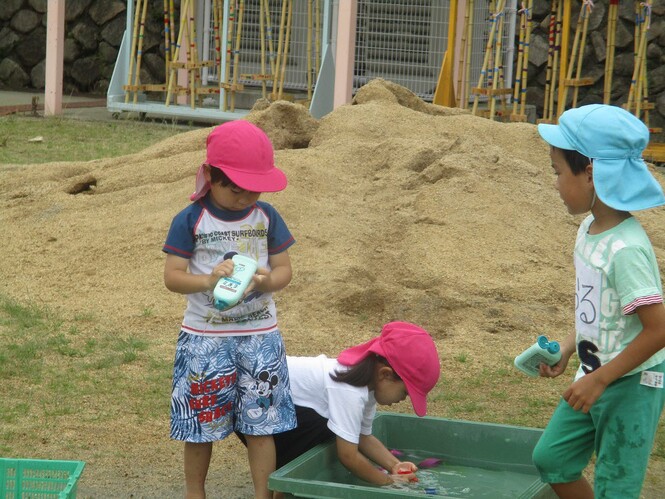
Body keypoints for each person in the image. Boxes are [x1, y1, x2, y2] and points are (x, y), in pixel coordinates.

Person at [531, 104, 665, 498]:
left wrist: (601, 379)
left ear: (590, 173)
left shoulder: (625, 250)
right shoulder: (589, 229)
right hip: (593, 375)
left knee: (615, 486)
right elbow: (597, 311)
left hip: (631, 384)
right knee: (552, 459)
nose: (555, 183)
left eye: (558, 172)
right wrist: (570, 349)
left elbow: (659, 330)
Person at [162, 120, 297, 499]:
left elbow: (284, 269)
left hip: (260, 337)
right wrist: (208, 280)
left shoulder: (266, 216)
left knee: (262, 425)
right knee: (199, 425)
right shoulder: (191, 219)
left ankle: (262, 496)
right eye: (236, 189)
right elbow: (172, 277)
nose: (246, 198)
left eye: (255, 189)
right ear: (210, 176)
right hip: (205, 340)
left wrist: (266, 280)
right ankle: (195, 493)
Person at [237, 321, 441, 491]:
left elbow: (363, 437)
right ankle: (282, 489)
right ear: (385, 374)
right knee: (328, 433)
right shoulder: (350, 390)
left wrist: (394, 465)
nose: (404, 399)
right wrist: (388, 482)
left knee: (340, 431)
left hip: (281, 405)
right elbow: (348, 456)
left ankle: (286, 490)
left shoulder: (366, 386)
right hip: (253, 397)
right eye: (405, 392)